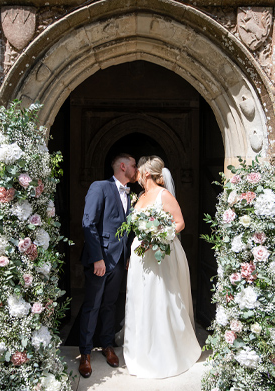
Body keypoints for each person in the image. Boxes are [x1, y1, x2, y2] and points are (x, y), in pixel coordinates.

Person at [123, 156, 201, 378]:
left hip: (159, 253)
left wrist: (158, 236)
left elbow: (179, 222)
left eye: (139, 168)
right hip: (140, 254)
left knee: (160, 298)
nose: (136, 171)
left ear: (147, 172)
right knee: (140, 298)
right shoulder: (141, 196)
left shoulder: (163, 195)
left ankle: (164, 352)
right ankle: (140, 348)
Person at [79, 153, 138, 378]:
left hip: (119, 260)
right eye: (133, 165)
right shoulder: (100, 187)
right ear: (123, 166)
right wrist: (97, 258)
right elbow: (88, 223)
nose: (136, 169)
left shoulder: (131, 196)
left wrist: (130, 254)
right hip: (100, 259)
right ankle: (85, 352)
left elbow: (128, 229)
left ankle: (106, 345)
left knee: (110, 305)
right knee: (92, 305)